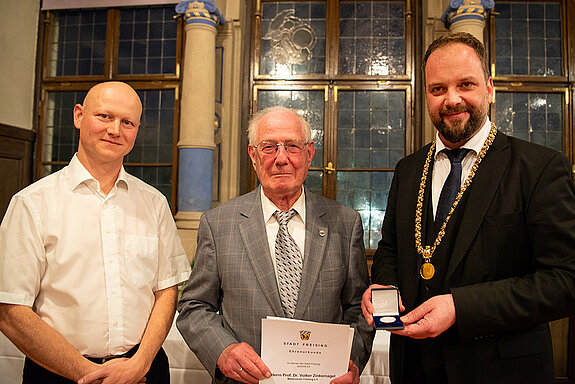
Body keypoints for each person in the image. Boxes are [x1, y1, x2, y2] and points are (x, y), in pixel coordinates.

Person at [361, 32, 575, 384]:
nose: (452, 100)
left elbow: (564, 281)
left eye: (466, 84)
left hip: (502, 371)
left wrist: (461, 307)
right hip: (413, 369)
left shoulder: (540, 168)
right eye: (438, 89)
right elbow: (391, 251)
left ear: (489, 88)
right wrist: (384, 288)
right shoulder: (408, 169)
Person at [0, 81, 191, 384]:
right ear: (78, 116)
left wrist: (140, 364)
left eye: (127, 122)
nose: (115, 130)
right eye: (104, 116)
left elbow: (166, 289)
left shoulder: (154, 203)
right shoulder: (32, 204)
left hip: (143, 371)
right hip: (58, 373)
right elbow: (11, 309)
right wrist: (92, 375)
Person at [177, 106, 374, 384]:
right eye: (269, 147)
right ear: (253, 156)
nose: (281, 159)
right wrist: (223, 350)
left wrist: (350, 360)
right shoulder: (218, 223)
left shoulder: (345, 223)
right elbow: (194, 306)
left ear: (309, 154)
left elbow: (359, 308)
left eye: (292, 146)